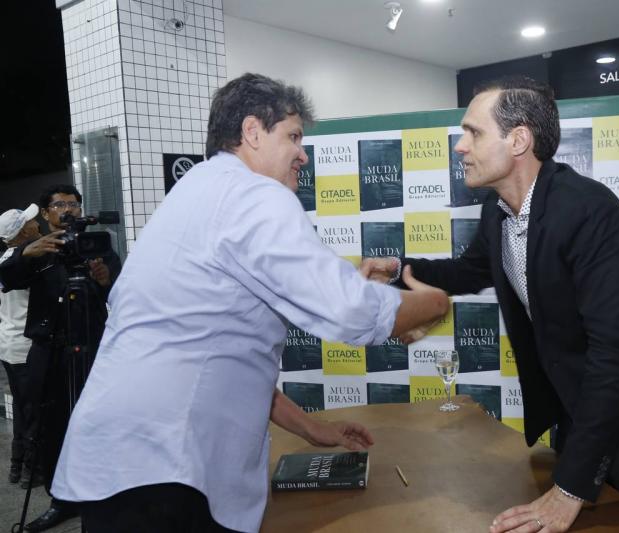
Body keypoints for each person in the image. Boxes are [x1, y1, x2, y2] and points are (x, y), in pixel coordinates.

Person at [49, 73, 449, 533]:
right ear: (253, 131)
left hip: (129, 463)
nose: (303, 154)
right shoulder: (254, 195)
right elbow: (348, 308)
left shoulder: (198, 190)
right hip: (169, 470)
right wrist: (434, 302)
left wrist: (310, 428)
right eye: (293, 137)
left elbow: (222, 349)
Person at [360, 76, 619, 533]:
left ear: (519, 140)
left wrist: (570, 489)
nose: (460, 146)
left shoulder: (589, 212)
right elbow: (470, 270)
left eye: (473, 132)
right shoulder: (497, 211)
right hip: (585, 415)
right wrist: (397, 268)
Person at [0, 184, 121, 532]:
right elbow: (7, 278)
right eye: (59, 205)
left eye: (73, 203)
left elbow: (119, 289)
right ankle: (61, 500)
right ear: (46, 213)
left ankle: (101, 496)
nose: (68, 209)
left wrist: (106, 280)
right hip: (49, 348)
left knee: (99, 423)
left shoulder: (98, 246)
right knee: (50, 426)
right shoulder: (38, 249)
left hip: (94, 346)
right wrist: (27, 253)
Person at [0, 204, 42, 485]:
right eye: (31, 222)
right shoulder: (24, 264)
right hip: (25, 346)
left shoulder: (5, 260)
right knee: (32, 410)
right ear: (23, 233)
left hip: (8, 343)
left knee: (21, 406)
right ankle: (30, 471)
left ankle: (16, 466)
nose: (37, 224)